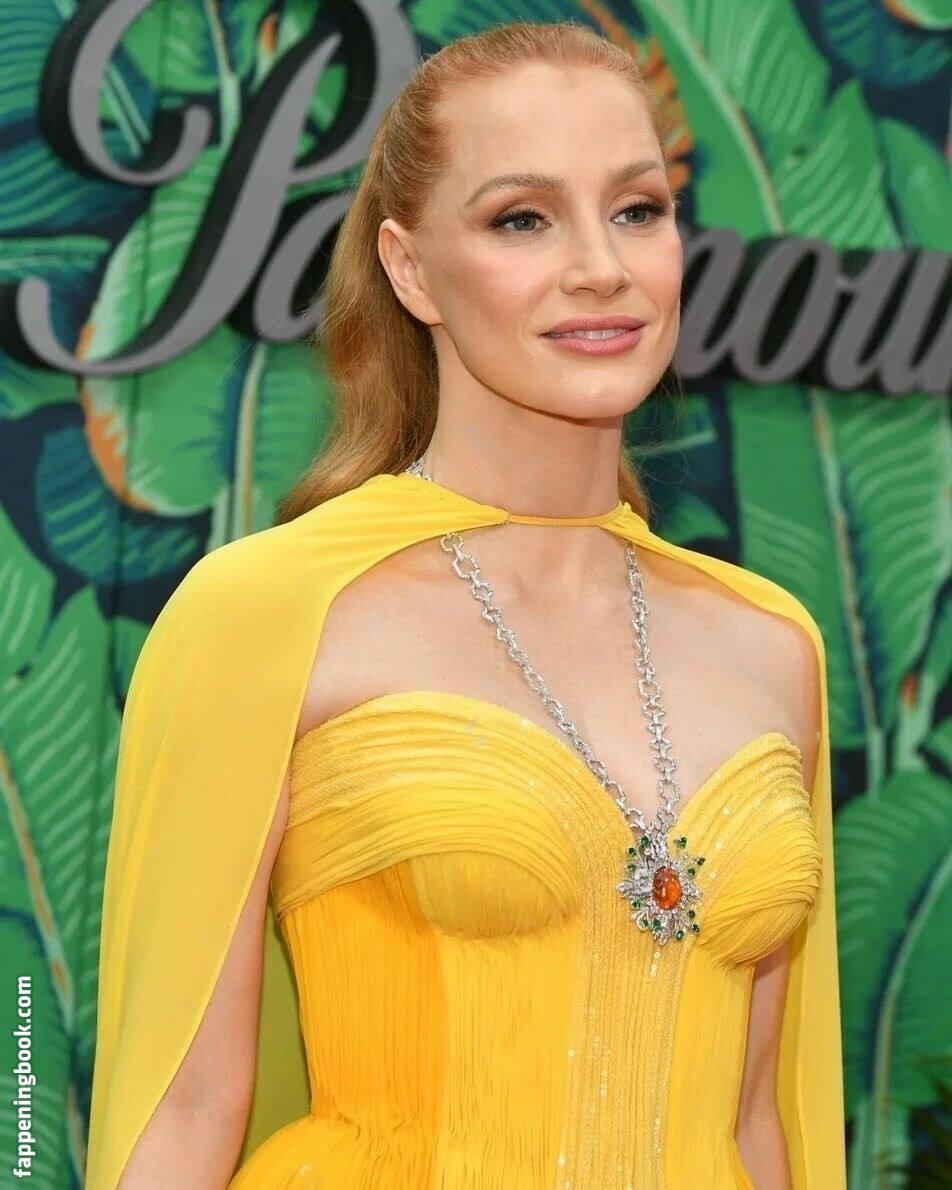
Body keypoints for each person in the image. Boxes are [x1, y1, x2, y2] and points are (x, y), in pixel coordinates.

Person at [85, 20, 846, 1190]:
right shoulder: (269, 612)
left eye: (636, 209)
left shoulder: (771, 642)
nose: (600, 266)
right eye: (522, 219)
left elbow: (755, 1127)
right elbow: (182, 1109)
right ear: (408, 268)